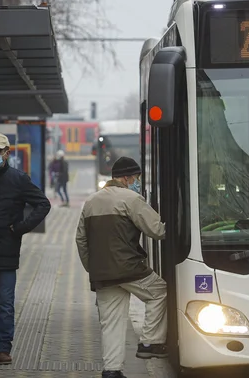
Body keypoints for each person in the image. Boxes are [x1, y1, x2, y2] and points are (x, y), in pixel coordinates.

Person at [75, 157, 168, 378]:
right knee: (159, 291)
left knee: (111, 321)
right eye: (136, 178)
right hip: (129, 268)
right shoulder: (131, 198)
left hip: (102, 273)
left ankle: (111, 370)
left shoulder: (90, 202)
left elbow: (81, 240)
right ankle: (150, 343)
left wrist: (94, 268)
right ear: (126, 178)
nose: (137, 182)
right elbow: (157, 230)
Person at [0, 133, 51, 365]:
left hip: (6, 250)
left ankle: (3, 348)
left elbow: (43, 204)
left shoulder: (18, 179)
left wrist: (21, 228)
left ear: (7, 152)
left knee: (5, 304)